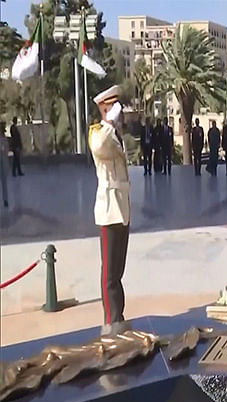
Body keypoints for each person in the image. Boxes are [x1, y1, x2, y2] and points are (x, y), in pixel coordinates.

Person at [88, 85, 131, 332]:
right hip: (108, 210)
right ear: (106, 109)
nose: (120, 112)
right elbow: (99, 148)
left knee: (118, 271)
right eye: (115, 108)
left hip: (122, 210)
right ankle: (110, 322)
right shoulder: (100, 133)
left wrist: (113, 126)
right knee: (109, 274)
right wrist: (109, 123)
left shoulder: (115, 135)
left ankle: (119, 317)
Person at [0, 121, 10, 207]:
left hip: (3, 162)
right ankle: (5, 199)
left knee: (4, 182)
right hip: (2, 161)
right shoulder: (3, 138)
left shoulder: (4, 138)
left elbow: (6, 149)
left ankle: (5, 200)